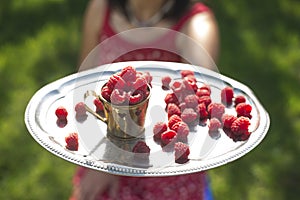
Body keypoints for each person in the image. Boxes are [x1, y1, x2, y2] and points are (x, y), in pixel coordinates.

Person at [71, 0, 219, 199]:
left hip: (165, 174)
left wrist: (113, 162)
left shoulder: (196, 24)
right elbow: (85, 90)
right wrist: (102, 162)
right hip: (102, 160)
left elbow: (196, 108)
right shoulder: (102, 8)